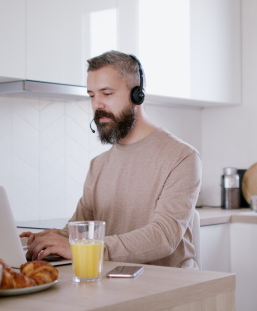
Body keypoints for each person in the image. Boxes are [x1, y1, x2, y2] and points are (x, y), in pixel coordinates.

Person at [20, 50, 202, 269]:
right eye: (91, 95)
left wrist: (83, 249)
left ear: (138, 95)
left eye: (106, 94)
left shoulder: (181, 156)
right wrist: (48, 239)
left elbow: (164, 237)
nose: (97, 105)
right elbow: (78, 232)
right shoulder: (98, 165)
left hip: (167, 287)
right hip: (111, 281)